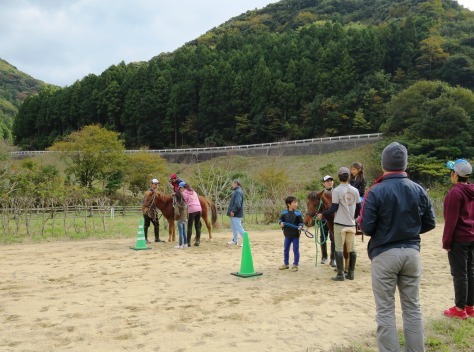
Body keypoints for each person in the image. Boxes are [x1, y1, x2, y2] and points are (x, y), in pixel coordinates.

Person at [360, 141, 436, 352]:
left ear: (384, 164)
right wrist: (408, 231)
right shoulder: (418, 189)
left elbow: (366, 227)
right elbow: (430, 222)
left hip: (384, 254)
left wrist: (387, 232)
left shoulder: (375, 191)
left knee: (385, 309)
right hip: (412, 253)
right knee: (413, 308)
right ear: (405, 164)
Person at [442, 159, 474, 319]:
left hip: (459, 238)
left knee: (460, 273)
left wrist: (446, 242)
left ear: (455, 174)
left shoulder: (455, 193)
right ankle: (470, 306)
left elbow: (451, 220)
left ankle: (460, 309)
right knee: (470, 271)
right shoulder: (471, 190)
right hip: (471, 235)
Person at [317, 167, 360, 281]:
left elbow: (334, 208)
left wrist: (323, 214)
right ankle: (351, 273)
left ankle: (340, 274)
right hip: (351, 224)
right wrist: (353, 217)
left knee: (339, 248)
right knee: (352, 248)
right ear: (349, 177)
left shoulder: (336, 191)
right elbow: (359, 207)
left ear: (338, 177)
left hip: (340, 223)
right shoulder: (355, 190)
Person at [278, 196, 304, 272]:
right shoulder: (284, 213)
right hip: (287, 235)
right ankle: (286, 264)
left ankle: (295, 265)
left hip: (295, 235)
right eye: (294, 202)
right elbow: (280, 220)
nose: (296, 204)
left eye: (296, 202)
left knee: (295, 250)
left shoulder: (298, 213)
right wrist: (281, 223)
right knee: (286, 250)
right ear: (289, 204)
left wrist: (300, 226)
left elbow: (301, 222)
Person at [180, 182, 202, 246]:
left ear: (182, 187)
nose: (180, 189)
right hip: (199, 209)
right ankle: (198, 240)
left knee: (189, 226)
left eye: (180, 188)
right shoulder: (194, 192)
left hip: (191, 210)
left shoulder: (184, 193)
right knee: (197, 226)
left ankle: (188, 242)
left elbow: (183, 203)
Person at [142, 178, 164, 243]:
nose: (156, 185)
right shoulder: (148, 192)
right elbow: (145, 202)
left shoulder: (157, 192)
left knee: (156, 224)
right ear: (151, 184)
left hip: (154, 211)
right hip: (147, 210)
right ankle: (145, 239)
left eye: (157, 184)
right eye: (155, 184)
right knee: (146, 224)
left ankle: (157, 238)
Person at [320, 175, 336, 266]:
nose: (330, 182)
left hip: (334, 219)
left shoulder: (336, 192)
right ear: (323, 183)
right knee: (323, 237)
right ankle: (324, 256)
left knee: (333, 238)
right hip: (323, 219)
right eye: (327, 181)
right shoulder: (321, 194)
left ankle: (333, 258)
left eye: (331, 180)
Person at [227, 179, 245, 246]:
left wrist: (233, 211)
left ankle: (246, 241)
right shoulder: (237, 191)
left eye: (233, 183)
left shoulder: (238, 192)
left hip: (236, 213)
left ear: (236, 183)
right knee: (234, 227)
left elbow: (237, 204)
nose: (232, 185)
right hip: (234, 213)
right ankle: (235, 240)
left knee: (239, 227)